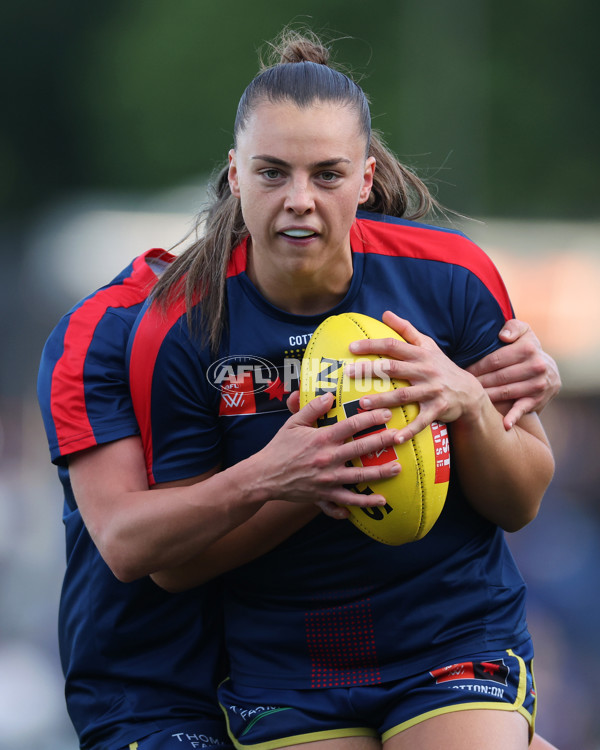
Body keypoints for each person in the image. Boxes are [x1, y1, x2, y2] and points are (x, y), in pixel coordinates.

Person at [126, 29, 557, 750]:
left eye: (327, 175)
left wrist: (467, 401)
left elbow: (524, 500)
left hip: (450, 640)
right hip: (288, 669)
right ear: (235, 175)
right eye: (272, 173)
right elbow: (173, 566)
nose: (299, 200)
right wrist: (282, 480)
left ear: (364, 179)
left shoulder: (449, 279)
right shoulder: (183, 326)